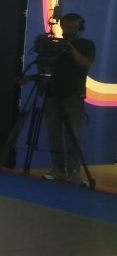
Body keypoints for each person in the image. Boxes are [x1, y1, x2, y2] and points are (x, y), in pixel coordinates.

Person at [40, 13, 95, 187]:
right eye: (66, 27)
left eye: (73, 27)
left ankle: (73, 172)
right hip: (52, 94)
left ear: (80, 28)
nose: (69, 30)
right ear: (61, 26)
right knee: (54, 134)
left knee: (72, 135)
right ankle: (58, 169)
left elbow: (85, 63)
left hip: (73, 96)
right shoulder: (54, 45)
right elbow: (47, 68)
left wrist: (71, 48)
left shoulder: (86, 45)